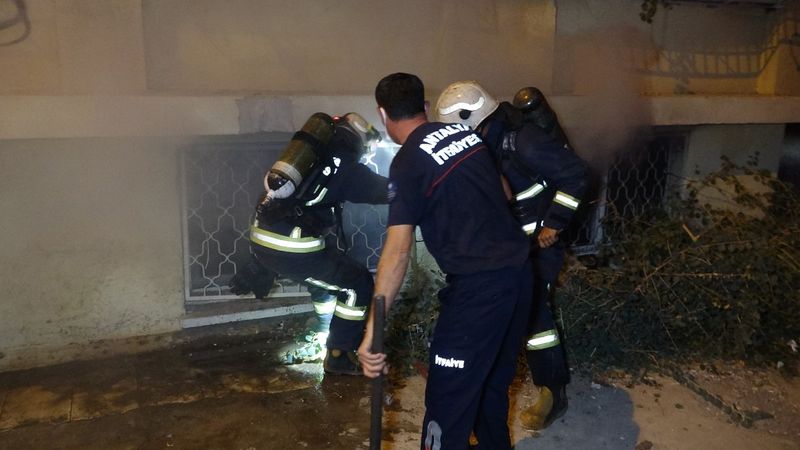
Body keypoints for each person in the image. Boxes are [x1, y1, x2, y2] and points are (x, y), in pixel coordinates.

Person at [358, 73, 533, 450]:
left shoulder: (406, 164)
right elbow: (503, 191)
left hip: (479, 293)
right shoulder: (467, 136)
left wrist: (374, 332)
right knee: (489, 390)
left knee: (447, 402)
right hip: (520, 277)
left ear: (382, 113)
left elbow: (398, 252)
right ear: (425, 106)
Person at [435, 81, 588, 430]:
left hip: (538, 243)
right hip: (505, 246)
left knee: (535, 315)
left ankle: (552, 392)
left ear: (481, 120)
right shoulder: (482, 142)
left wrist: (554, 224)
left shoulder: (523, 141)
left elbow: (575, 174)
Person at [229, 112, 388, 375]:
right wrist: (414, 186)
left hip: (262, 239)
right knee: (357, 284)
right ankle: (339, 353)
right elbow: (383, 190)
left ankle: (323, 330)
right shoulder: (345, 167)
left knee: (325, 277)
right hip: (292, 248)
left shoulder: (308, 159)